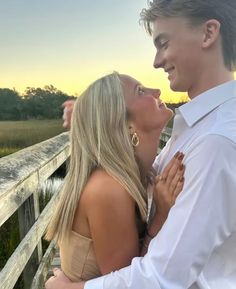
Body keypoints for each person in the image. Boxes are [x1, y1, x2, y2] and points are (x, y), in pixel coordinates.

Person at [45, 0, 236, 288]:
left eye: (163, 42)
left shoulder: (216, 141)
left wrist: (74, 288)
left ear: (208, 34)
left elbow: (163, 277)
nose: (157, 62)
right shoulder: (193, 130)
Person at [45, 72, 184, 282]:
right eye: (140, 91)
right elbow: (128, 283)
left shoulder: (136, 175)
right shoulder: (109, 188)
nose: (157, 91)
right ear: (125, 124)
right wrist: (159, 219)